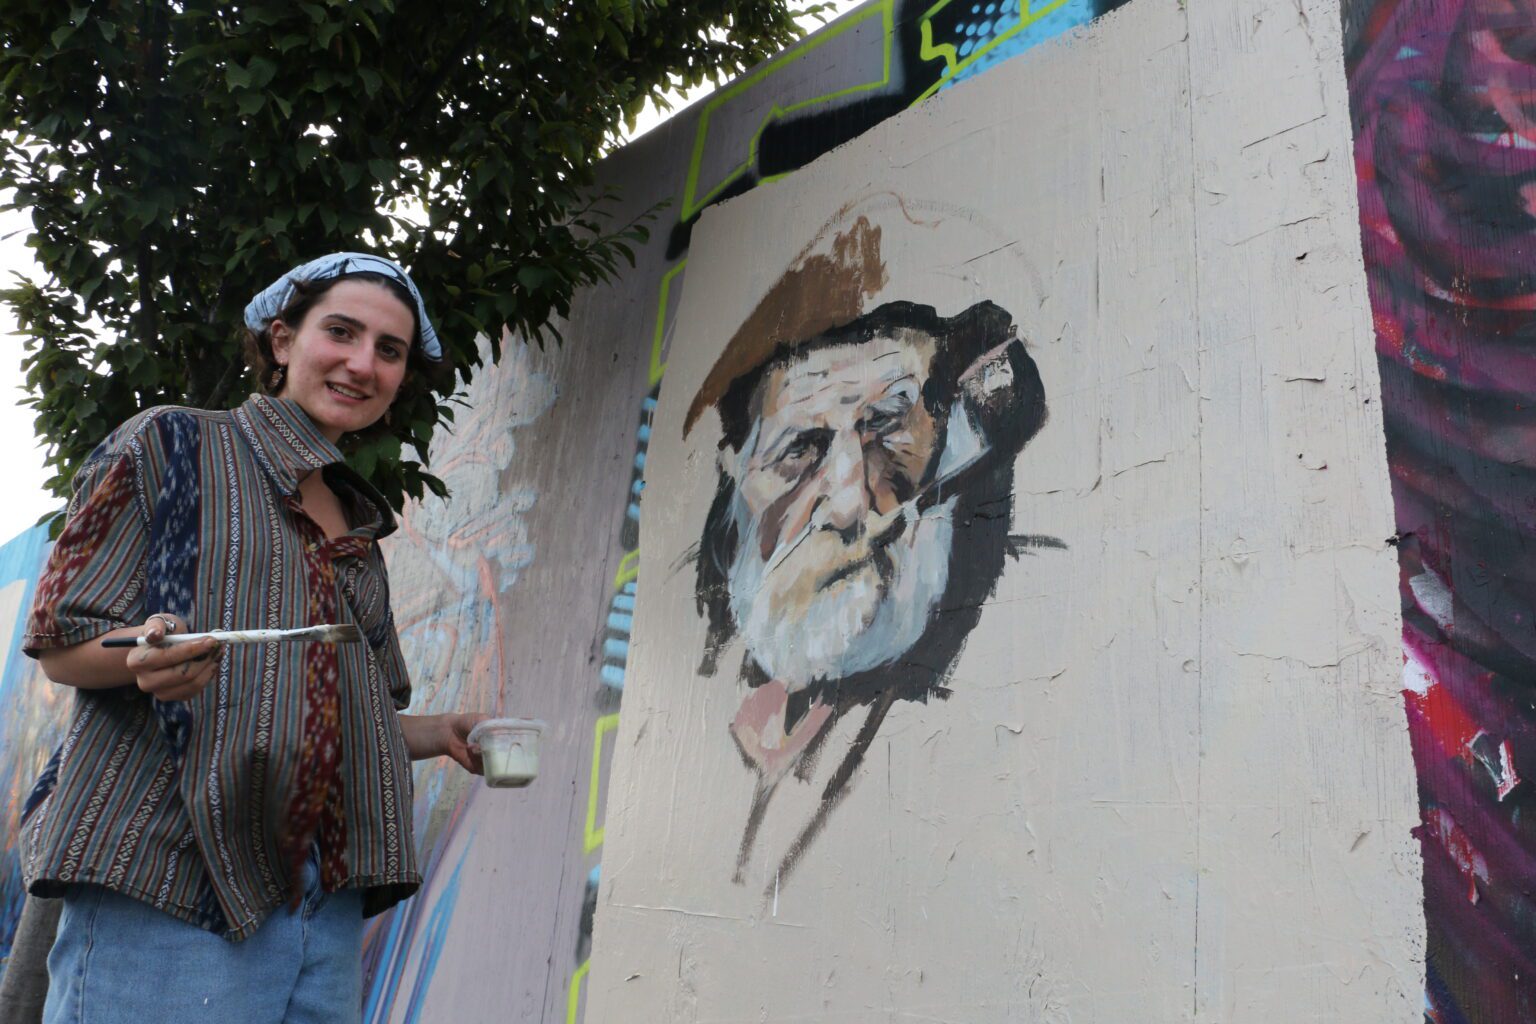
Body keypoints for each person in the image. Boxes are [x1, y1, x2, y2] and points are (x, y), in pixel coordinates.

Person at [17, 252, 485, 1024]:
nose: (362, 363)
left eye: (389, 350)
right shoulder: (171, 446)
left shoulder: (358, 527)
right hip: (169, 880)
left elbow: (339, 714)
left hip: (323, 900)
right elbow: (63, 643)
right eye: (341, 331)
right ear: (279, 341)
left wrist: (440, 732)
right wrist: (141, 657)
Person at [688, 297, 1049, 887]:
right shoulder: (744, 697)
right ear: (739, 481)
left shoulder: (999, 673)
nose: (849, 500)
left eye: (886, 428)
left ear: (959, 439)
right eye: (800, 449)